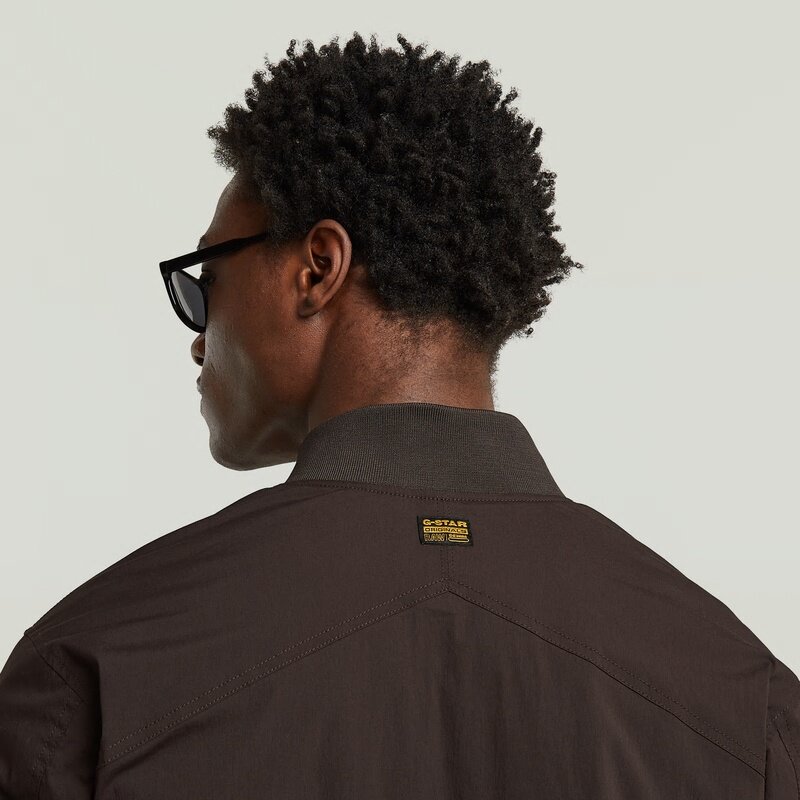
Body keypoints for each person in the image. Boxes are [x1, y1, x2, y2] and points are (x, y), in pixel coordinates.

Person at [1, 31, 798, 798]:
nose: (198, 338)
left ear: (318, 268)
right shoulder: (745, 703)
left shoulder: (97, 673)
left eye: (205, 281)